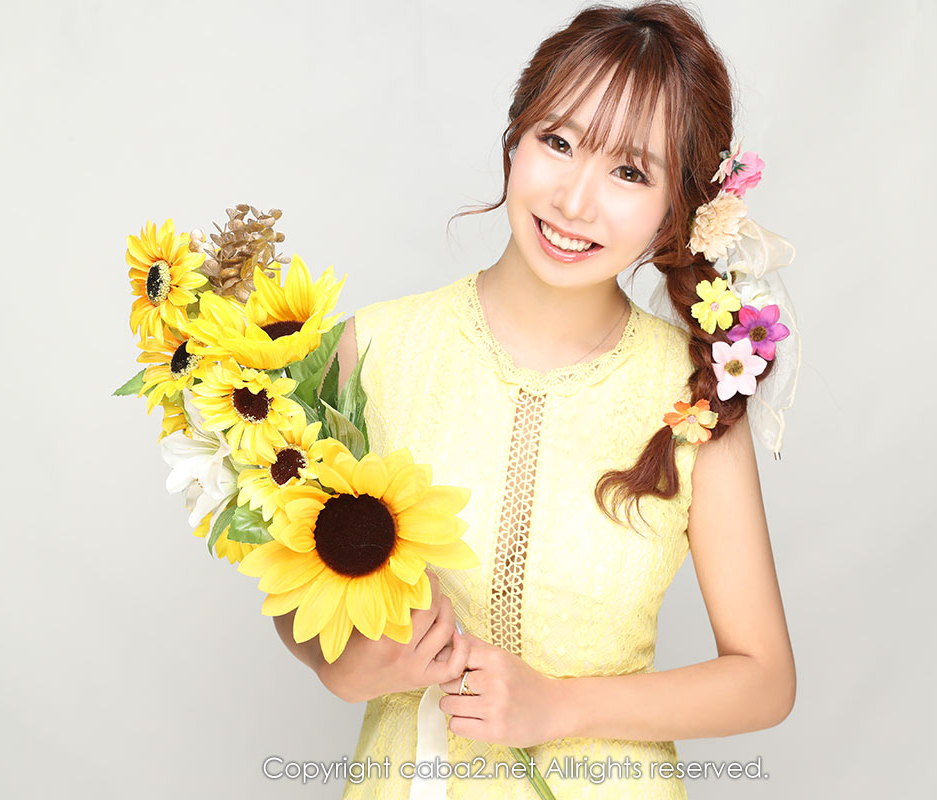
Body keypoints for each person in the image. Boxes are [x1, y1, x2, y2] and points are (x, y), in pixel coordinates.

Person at [271, 2, 796, 797]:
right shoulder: (369, 350)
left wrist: (560, 707)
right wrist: (340, 667)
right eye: (559, 141)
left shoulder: (696, 394)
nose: (576, 201)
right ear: (514, 137)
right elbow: (298, 587)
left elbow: (764, 679)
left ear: (677, 210)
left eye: (630, 172)